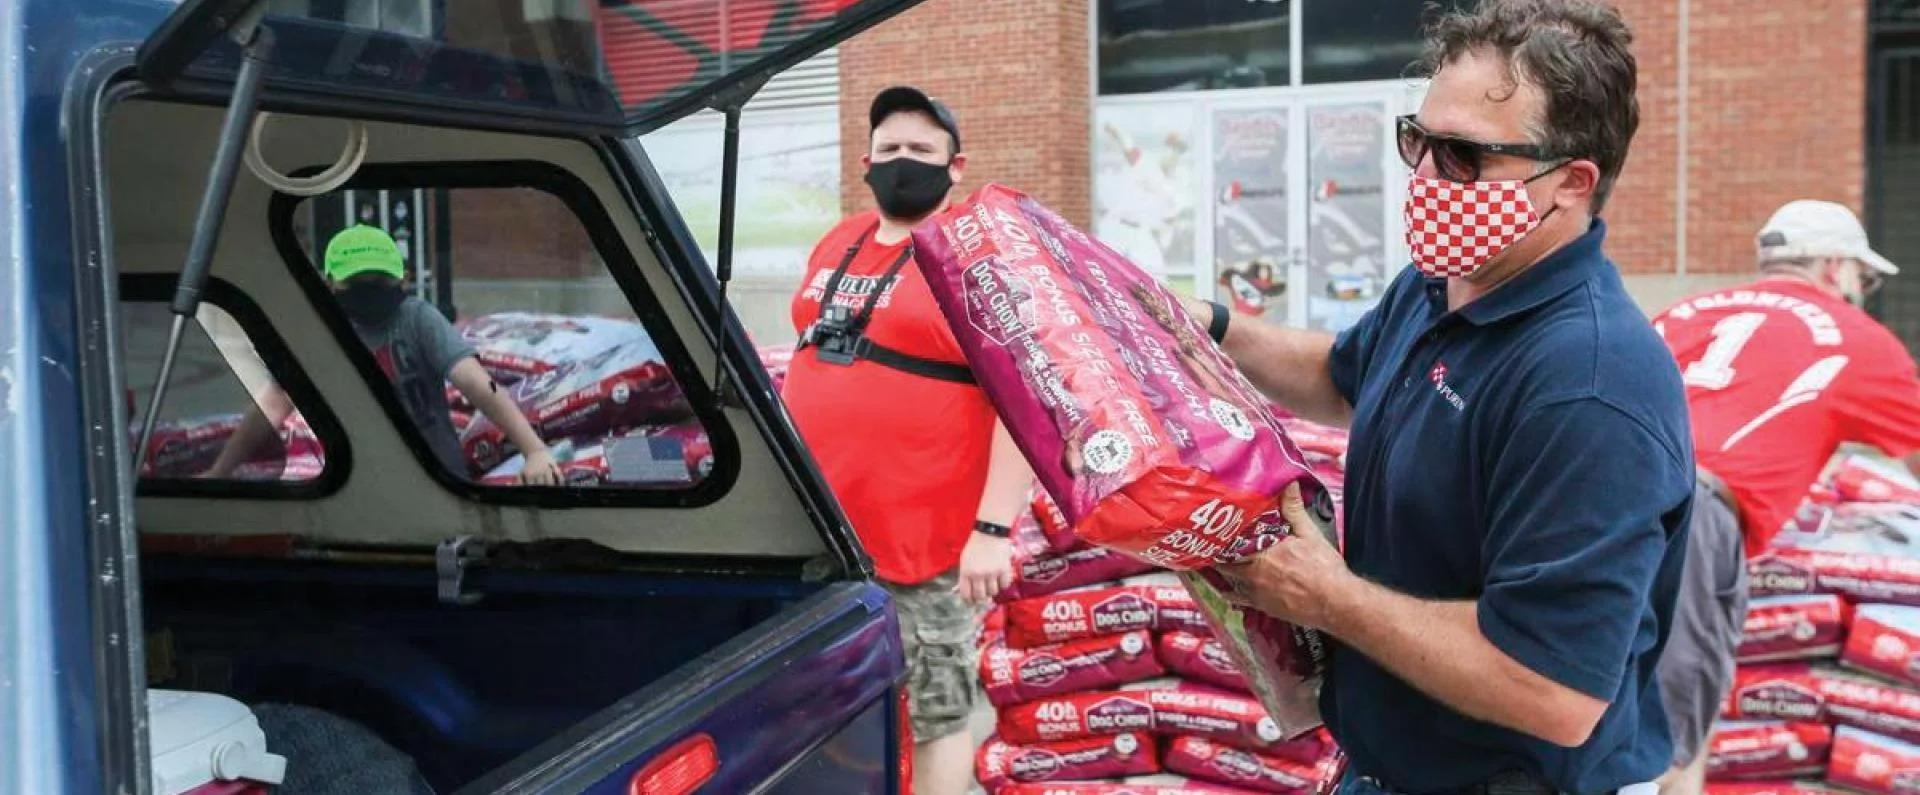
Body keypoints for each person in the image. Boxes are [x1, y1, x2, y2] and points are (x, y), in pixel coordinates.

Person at [1194, 2, 1689, 792]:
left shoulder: (1589, 387)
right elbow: (1342, 376)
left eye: (1462, 156)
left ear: (1570, 182)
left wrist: (1331, 598)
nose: (1425, 176)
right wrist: (1211, 327)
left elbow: (1554, 691)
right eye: (1416, 140)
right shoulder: (1445, 284)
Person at [778, 86, 1029, 795]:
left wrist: (993, 527)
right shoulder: (841, 239)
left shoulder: (973, 259)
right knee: (837, 707)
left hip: (926, 549)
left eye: (922, 150)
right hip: (826, 537)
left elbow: (1021, 405)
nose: (903, 161)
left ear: (956, 167)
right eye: (890, 148)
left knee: (936, 711)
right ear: (865, 161)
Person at [1648, 199, 1920, 793]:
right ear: (1831, 267)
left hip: (1592, 498)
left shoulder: (1681, 312)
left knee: (1582, 710)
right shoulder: (1856, 338)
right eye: (1861, 276)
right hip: (1694, 518)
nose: (1860, 290)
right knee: (1666, 747)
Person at [206, 225, 561, 486]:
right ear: (329, 283)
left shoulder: (416, 318)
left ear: (403, 279)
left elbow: (477, 383)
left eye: (379, 281)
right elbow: (273, 404)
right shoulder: (316, 331)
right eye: (356, 283)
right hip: (354, 484)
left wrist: (534, 450)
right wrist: (221, 471)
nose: (368, 291)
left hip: (437, 479)